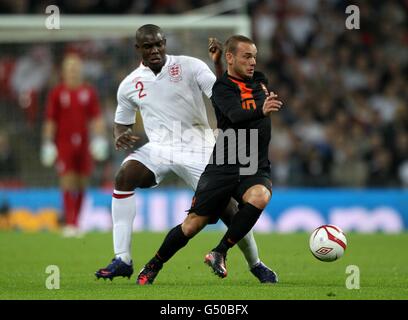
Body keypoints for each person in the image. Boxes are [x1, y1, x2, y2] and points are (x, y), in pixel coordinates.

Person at [95, 24, 277, 283]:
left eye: (159, 44)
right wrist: (119, 134)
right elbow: (121, 121)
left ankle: (255, 263)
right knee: (125, 175)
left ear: (165, 43)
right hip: (159, 147)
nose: (155, 50)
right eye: (148, 46)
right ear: (138, 49)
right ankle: (122, 258)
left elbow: (222, 93)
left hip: (198, 145)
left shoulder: (191, 66)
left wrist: (217, 66)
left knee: (229, 210)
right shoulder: (128, 85)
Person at [41, 53, 108, 237]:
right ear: (64, 71)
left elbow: (96, 118)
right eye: (69, 68)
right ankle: (69, 222)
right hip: (64, 142)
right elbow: (50, 120)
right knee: (67, 180)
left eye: (75, 68)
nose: (72, 71)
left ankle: (77, 222)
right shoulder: (57, 93)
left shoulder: (89, 91)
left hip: (84, 143)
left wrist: (100, 138)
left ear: (80, 70)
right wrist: (48, 143)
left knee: (81, 182)